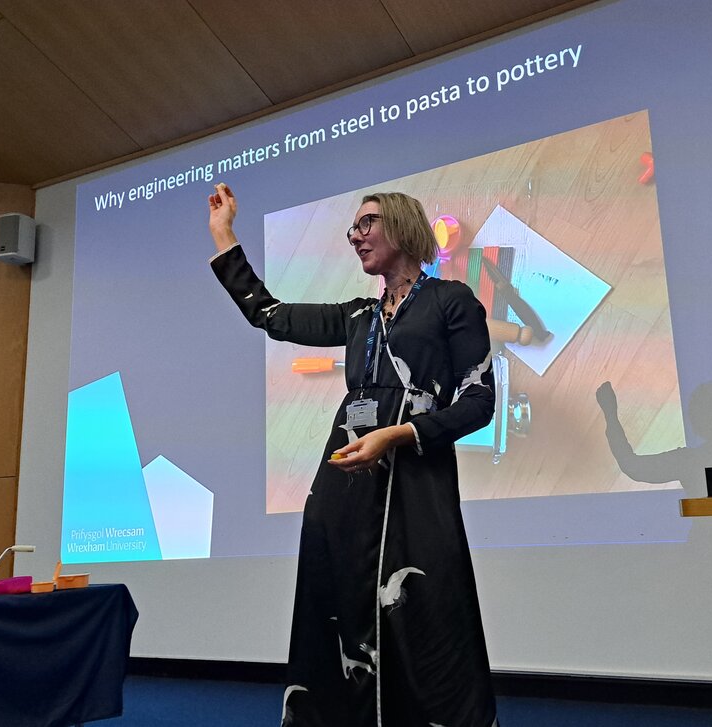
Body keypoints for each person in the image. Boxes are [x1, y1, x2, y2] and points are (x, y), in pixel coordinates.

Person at [208, 183, 498, 727]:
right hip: (344, 484)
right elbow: (269, 314)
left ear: (405, 229)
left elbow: (480, 402)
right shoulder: (358, 316)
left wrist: (397, 435)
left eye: (366, 224)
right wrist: (224, 234)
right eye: (352, 229)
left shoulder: (450, 300)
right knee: (335, 603)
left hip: (414, 484)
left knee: (425, 608)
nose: (355, 237)